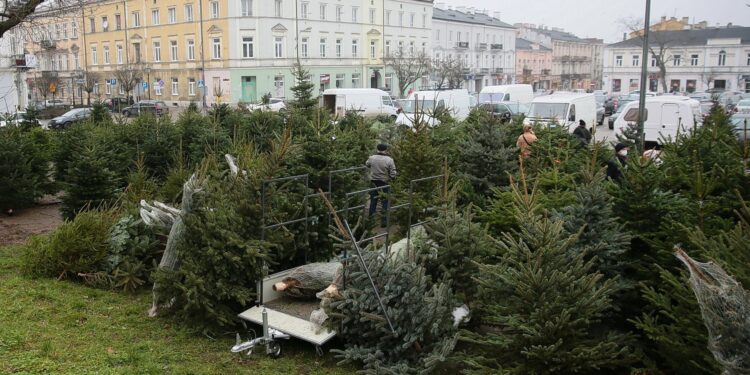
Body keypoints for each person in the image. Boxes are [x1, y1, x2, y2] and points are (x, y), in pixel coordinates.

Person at [366, 144, 397, 227]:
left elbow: (367, 165)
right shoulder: (389, 160)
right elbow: (393, 172)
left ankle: (371, 219)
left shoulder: (371, 158)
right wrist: (391, 178)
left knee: (373, 200)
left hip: (374, 182)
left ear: (377, 149)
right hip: (384, 183)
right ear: (386, 150)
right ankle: (384, 222)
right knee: (385, 202)